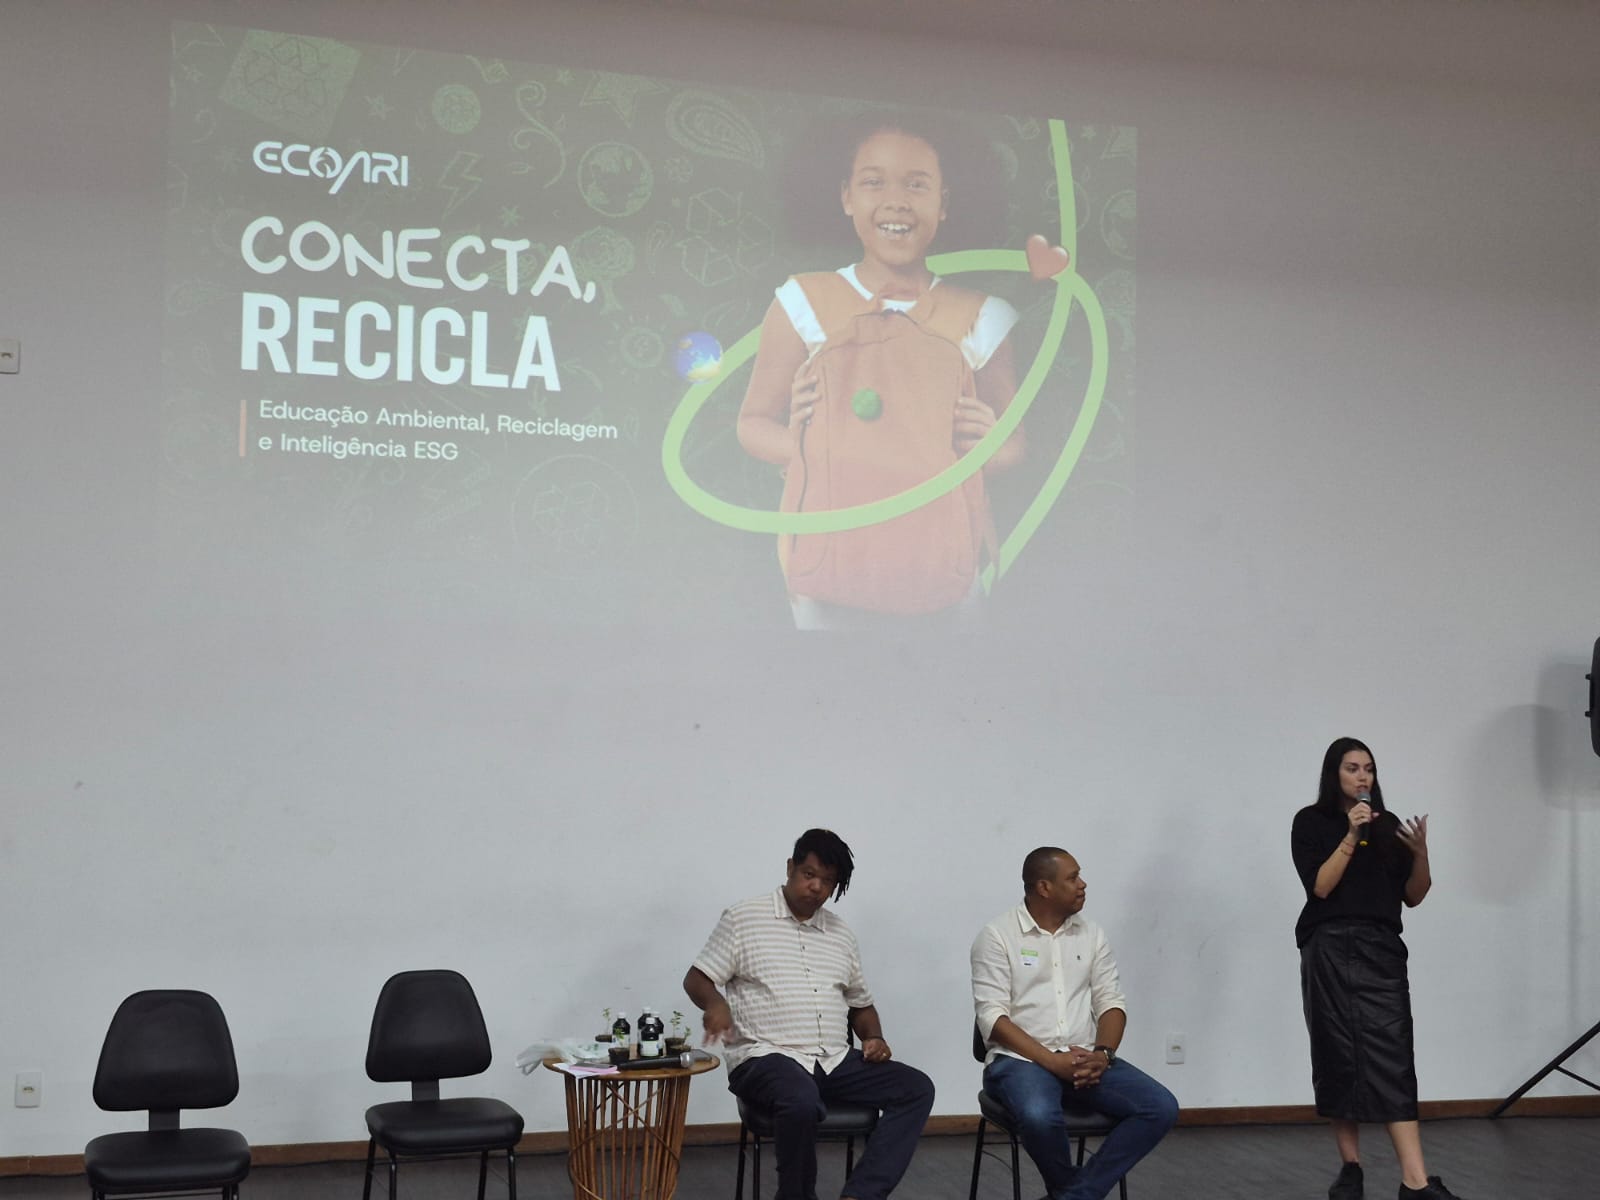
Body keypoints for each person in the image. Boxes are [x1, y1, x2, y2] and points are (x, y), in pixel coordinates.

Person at [736, 111, 1025, 629]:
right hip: (829, 568)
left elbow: (1012, 448)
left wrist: (989, 443)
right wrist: (806, 446)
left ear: (943, 203)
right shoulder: (802, 299)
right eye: (874, 182)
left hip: (941, 568)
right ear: (847, 197)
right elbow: (752, 424)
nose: (896, 201)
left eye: (917, 184)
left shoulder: (984, 316)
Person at [684, 829, 934, 1200]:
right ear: (790, 868)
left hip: (832, 1060)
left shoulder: (840, 934)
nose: (816, 887)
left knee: (916, 1089)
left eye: (828, 881)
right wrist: (716, 1005)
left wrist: (873, 1037)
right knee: (800, 1098)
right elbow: (697, 979)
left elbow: (861, 1004)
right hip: (765, 1056)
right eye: (809, 874)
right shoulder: (743, 918)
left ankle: (861, 1194)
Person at [1292, 737, 1464, 1200]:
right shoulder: (1311, 821)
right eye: (1352, 768)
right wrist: (1351, 835)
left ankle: (1415, 1181)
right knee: (1337, 1054)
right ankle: (1351, 1167)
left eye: (1368, 768)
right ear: (1334, 774)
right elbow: (1321, 888)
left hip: (1381, 948)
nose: (1363, 776)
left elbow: (1415, 895)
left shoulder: (1387, 826)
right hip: (1329, 946)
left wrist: (1421, 852)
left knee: (1394, 1057)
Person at [970, 847, 1178, 1200]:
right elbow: (992, 1017)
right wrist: (1052, 1062)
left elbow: (1111, 1003)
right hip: (1019, 1061)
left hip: (1083, 1058)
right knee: (1038, 1115)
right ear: (1044, 887)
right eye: (1072, 877)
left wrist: (1103, 1055)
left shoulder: (1091, 934)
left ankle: (1073, 1195)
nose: (1083, 884)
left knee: (1160, 1107)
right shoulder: (997, 936)